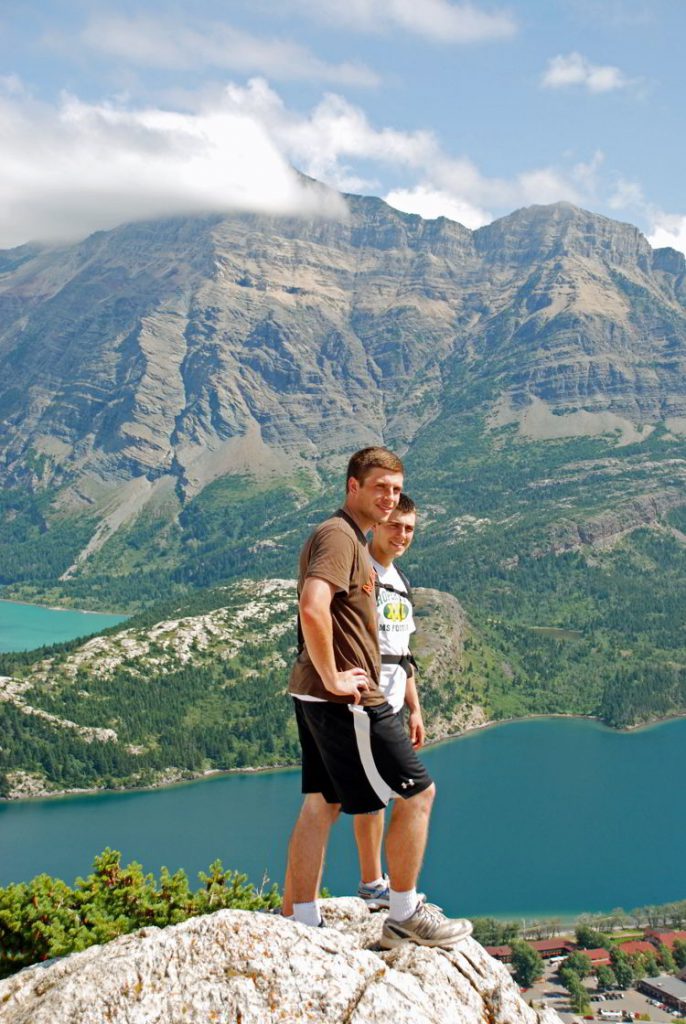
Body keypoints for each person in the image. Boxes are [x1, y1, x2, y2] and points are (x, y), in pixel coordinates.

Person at [282, 447, 471, 949]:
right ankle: (404, 912)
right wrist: (335, 677)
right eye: (380, 488)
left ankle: (300, 921)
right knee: (418, 792)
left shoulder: (355, 543)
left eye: (395, 488)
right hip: (348, 700)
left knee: (322, 804)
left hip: (321, 697)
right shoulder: (339, 536)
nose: (389, 499)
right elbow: (312, 606)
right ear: (353, 486)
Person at [354, 492, 424, 910]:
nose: (402, 535)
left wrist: (414, 708)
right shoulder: (359, 568)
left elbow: (403, 652)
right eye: (395, 525)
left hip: (394, 703)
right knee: (412, 792)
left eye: (409, 528)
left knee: (375, 793)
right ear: (377, 524)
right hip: (366, 700)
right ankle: (396, 898)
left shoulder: (400, 581)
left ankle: (373, 883)